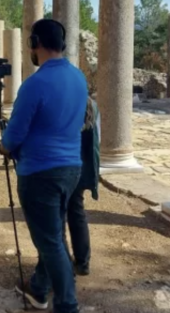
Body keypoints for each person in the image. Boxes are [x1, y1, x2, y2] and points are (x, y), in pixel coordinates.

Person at [0, 19, 88, 313]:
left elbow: (14, 134)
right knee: (53, 233)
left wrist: (3, 146)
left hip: (39, 172)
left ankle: (67, 304)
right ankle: (38, 287)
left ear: (35, 43)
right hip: (71, 169)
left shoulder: (35, 84)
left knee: (50, 242)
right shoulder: (79, 78)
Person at [64, 95, 101, 276]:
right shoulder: (91, 105)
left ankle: (61, 264)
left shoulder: (66, 102)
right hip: (81, 166)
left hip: (63, 164)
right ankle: (83, 262)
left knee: (56, 216)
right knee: (77, 212)